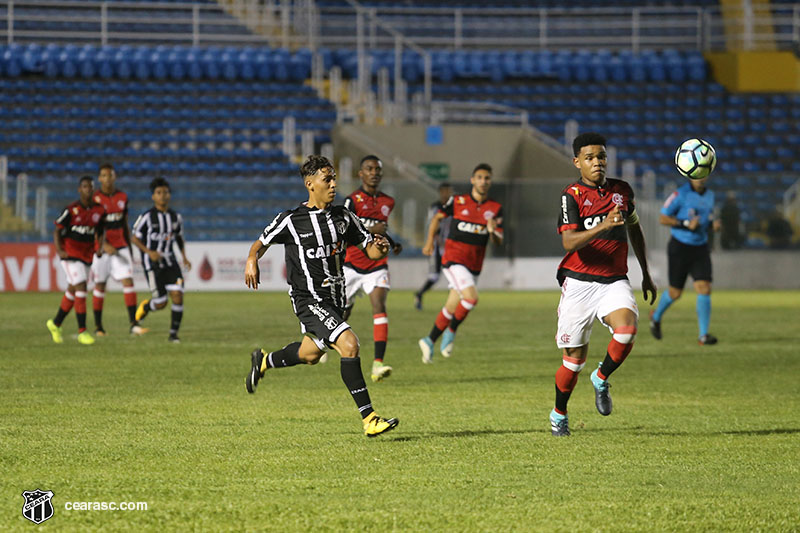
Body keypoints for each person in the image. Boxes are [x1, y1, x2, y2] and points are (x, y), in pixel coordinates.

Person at [243, 155, 399, 438]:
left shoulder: (343, 217)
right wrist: (252, 259)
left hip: (335, 301)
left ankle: (263, 361)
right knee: (349, 344)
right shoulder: (291, 220)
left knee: (310, 354)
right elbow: (260, 243)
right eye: (327, 179)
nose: (334, 184)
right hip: (308, 300)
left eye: (334, 178)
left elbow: (370, 250)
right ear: (310, 184)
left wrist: (382, 247)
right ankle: (370, 418)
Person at [550, 132, 657, 437]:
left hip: (614, 281)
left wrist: (646, 273)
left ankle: (601, 377)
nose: (597, 162)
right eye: (589, 158)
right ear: (577, 162)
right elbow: (568, 241)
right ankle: (559, 413)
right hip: (579, 283)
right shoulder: (571, 195)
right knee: (572, 363)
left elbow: (635, 230)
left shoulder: (622, 191)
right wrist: (604, 225)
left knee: (627, 330)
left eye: (601, 157)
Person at [417, 164, 503, 363]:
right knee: (471, 298)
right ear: (472, 180)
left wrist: (492, 231)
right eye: (479, 177)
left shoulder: (495, 209)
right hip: (454, 260)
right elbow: (437, 218)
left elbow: (498, 240)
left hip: (474, 265)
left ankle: (429, 340)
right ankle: (451, 331)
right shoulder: (458, 201)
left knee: (451, 306)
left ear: (490, 181)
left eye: (487, 178)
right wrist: (430, 240)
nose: (483, 181)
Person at [341, 155, 403, 383]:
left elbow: (382, 230)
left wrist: (392, 242)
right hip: (352, 264)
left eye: (377, 169)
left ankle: (378, 364)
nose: (374, 172)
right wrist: (370, 227)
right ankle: (325, 342)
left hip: (377, 264)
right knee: (342, 312)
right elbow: (346, 229)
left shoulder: (388, 202)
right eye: (369, 169)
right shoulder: (352, 200)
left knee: (379, 305)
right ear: (361, 174)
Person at [649, 176, 720, 346]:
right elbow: (663, 218)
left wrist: (712, 225)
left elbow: (704, 220)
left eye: (703, 174)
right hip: (680, 247)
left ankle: (703, 336)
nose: (700, 178)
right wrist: (685, 223)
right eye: (696, 175)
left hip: (700, 247)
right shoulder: (679, 194)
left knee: (704, 287)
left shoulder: (710, 195)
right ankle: (656, 316)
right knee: (675, 292)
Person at [46, 175, 106, 345]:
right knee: (81, 285)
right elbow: (57, 230)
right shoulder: (71, 210)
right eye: (85, 186)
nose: (88, 189)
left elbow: (101, 231)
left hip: (87, 255)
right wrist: (60, 250)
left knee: (73, 290)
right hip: (70, 254)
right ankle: (82, 331)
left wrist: (99, 247)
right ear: (80, 189)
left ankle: (55, 323)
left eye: (91, 186)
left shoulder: (99, 211)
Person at [89, 163, 147, 336]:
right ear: (100, 179)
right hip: (101, 249)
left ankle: (133, 324)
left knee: (128, 281)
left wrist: (129, 247)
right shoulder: (94, 199)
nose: (107, 179)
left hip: (120, 246)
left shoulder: (122, 196)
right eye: (104, 176)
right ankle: (99, 327)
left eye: (110, 175)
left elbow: (124, 223)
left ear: (114, 177)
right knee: (100, 285)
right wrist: (101, 244)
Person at [131, 177, 192, 343]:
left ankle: (173, 334)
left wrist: (184, 257)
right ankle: (144, 308)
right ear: (153, 196)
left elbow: (179, 238)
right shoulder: (146, 217)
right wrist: (149, 252)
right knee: (161, 302)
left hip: (170, 262)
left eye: (165, 192)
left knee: (178, 295)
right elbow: (135, 238)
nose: (163, 195)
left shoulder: (175, 217)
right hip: (153, 264)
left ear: (169, 195)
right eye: (159, 193)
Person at [414, 182, 454, 311]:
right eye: (445, 191)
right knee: (434, 276)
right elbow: (433, 223)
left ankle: (454, 302)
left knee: (454, 273)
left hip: (451, 246)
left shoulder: (454, 206)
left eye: (449, 191)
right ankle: (419, 294)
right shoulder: (435, 207)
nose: (447, 193)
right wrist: (435, 240)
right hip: (437, 246)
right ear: (441, 192)